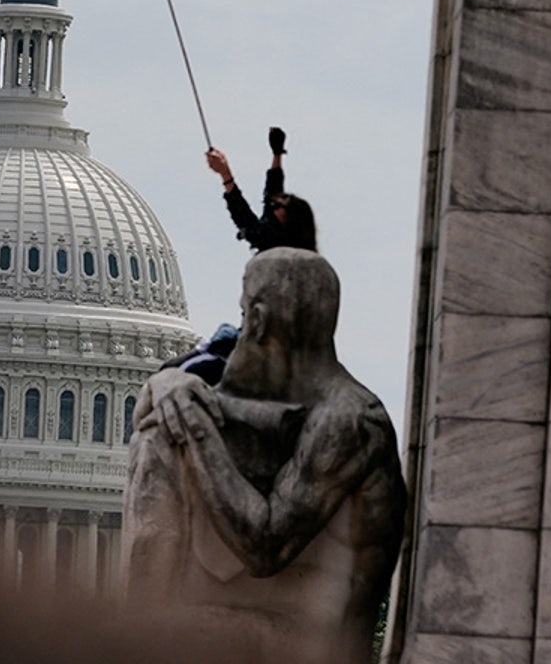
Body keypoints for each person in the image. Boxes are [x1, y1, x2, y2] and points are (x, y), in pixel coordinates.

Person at [122, 249, 406, 664]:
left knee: (129, 636)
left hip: (314, 645)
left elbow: (265, 546)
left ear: (256, 318)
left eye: (243, 312)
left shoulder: (350, 419)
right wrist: (165, 384)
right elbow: (220, 407)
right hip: (278, 625)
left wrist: (194, 428)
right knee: (157, 437)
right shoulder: (320, 408)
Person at [205, 126, 316, 252]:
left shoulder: (276, 244)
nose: (273, 206)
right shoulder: (277, 228)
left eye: (278, 206)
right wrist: (277, 153)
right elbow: (273, 191)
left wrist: (225, 174)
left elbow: (245, 219)